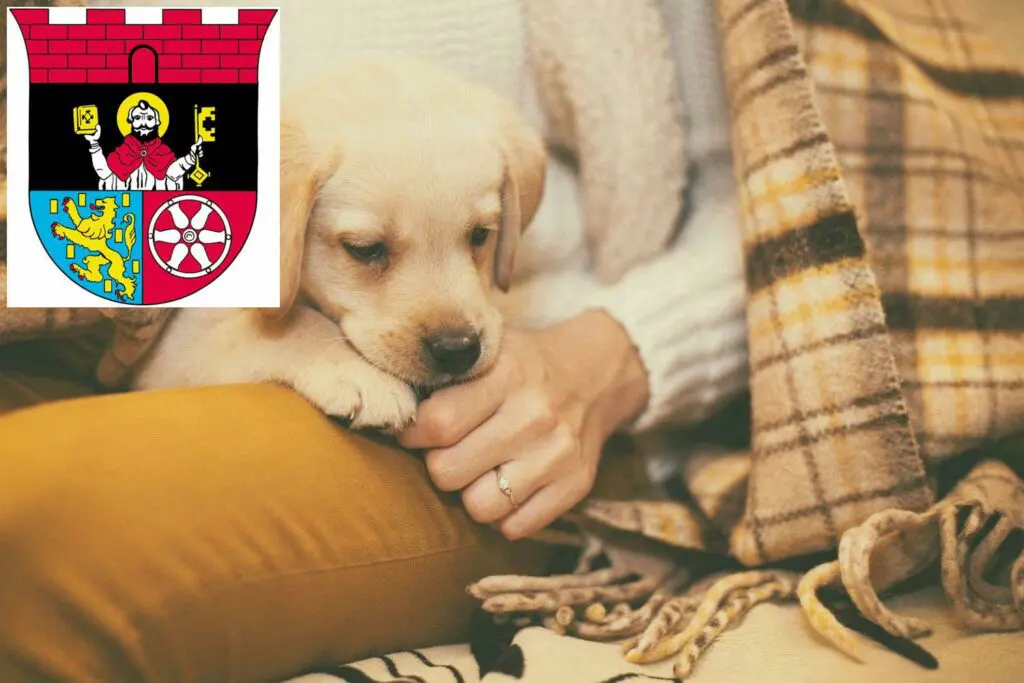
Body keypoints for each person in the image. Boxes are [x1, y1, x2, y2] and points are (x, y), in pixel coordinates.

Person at [0, 0, 748, 680]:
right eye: (369, 250)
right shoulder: (288, 167)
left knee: (29, 522)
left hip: (535, 394)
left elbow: (768, 203)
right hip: (79, 332)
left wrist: (613, 355)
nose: (452, 320)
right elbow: (126, 255)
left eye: (479, 236)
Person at [86, 99, 204, 191]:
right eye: (137, 118)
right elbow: (104, 173)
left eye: (149, 118)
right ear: (130, 121)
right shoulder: (122, 152)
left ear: (157, 122)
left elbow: (173, 173)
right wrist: (94, 143)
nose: (143, 123)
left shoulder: (163, 152)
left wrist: (191, 156)